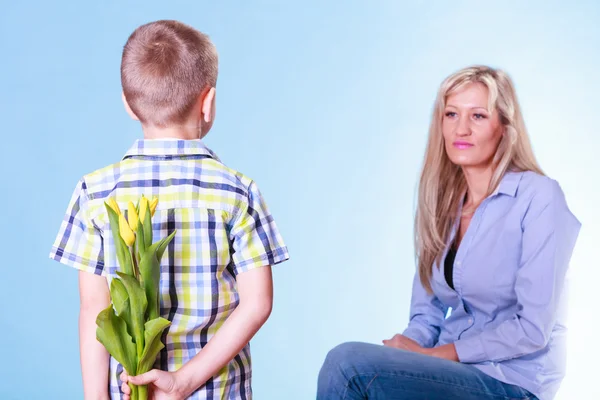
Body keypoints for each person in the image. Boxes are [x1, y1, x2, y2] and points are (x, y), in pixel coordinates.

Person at [49, 20, 289, 400]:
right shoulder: (238, 192)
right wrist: (185, 381)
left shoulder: (94, 193)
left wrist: (96, 397)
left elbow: (95, 310)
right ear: (207, 101)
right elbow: (257, 304)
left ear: (127, 104)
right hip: (218, 392)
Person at [317, 65, 580, 400]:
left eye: (479, 116)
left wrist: (434, 356)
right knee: (361, 369)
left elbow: (532, 329)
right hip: (450, 373)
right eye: (451, 114)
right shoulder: (444, 205)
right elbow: (426, 316)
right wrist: (404, 352)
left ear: (504, 127)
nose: (462, 129)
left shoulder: (540, 197)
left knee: (347, 364)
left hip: (511, 382)